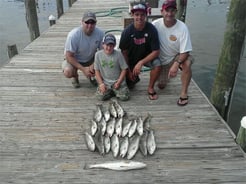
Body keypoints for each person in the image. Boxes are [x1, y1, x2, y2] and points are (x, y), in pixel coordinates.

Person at [152, 0, 193, 106]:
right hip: (162, 60)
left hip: (177, 56)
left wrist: (176, 64)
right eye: (167, 11)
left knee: (187, 63)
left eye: (172, 11)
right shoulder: (155, 25)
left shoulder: (182, 27)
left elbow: (186, 50)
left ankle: (184, 93)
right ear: (162, 11)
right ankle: (166, 75)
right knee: (161, 86)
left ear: (176, 11)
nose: (169, 14)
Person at [119, 3, 161, 100]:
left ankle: (150, 88)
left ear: (146, 15)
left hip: (146, 57)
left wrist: (141, 62)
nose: (139, 17)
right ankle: (133, 78)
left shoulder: (152, 29)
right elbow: (123, 53)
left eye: (142, 15)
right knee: (130, 85)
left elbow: (156, 51)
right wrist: (128, 71)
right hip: (131, 58)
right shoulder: (127, 32)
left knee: (157, 64)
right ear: (132, 15)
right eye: (137, 14)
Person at [62, 11, 104, 88]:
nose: (90, 25)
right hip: (75, 59)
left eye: (92, 22)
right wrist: (83, 69)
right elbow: (69, 56)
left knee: (105, 62)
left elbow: (103, 52)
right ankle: (75, 76)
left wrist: (94, 64)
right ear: (82, 22)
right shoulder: (73, 35)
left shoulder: (100, 33)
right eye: (87, 22)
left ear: (95, 23)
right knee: (68, 72)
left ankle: (92, 76)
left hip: (91, 58)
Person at [94, 34, 129, 101]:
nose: (109, 48)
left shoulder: (119, 54)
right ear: (103, 44)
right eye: (107, 45)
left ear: (114, 45)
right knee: (100, 97)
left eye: (111, 45)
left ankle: (114, 91)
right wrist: (101, 84)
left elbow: (124, 69)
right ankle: (112, 92)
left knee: (124, 97)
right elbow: (97, 71)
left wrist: (118, 82)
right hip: (106, 82)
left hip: (118, 81)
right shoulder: (98, 55)